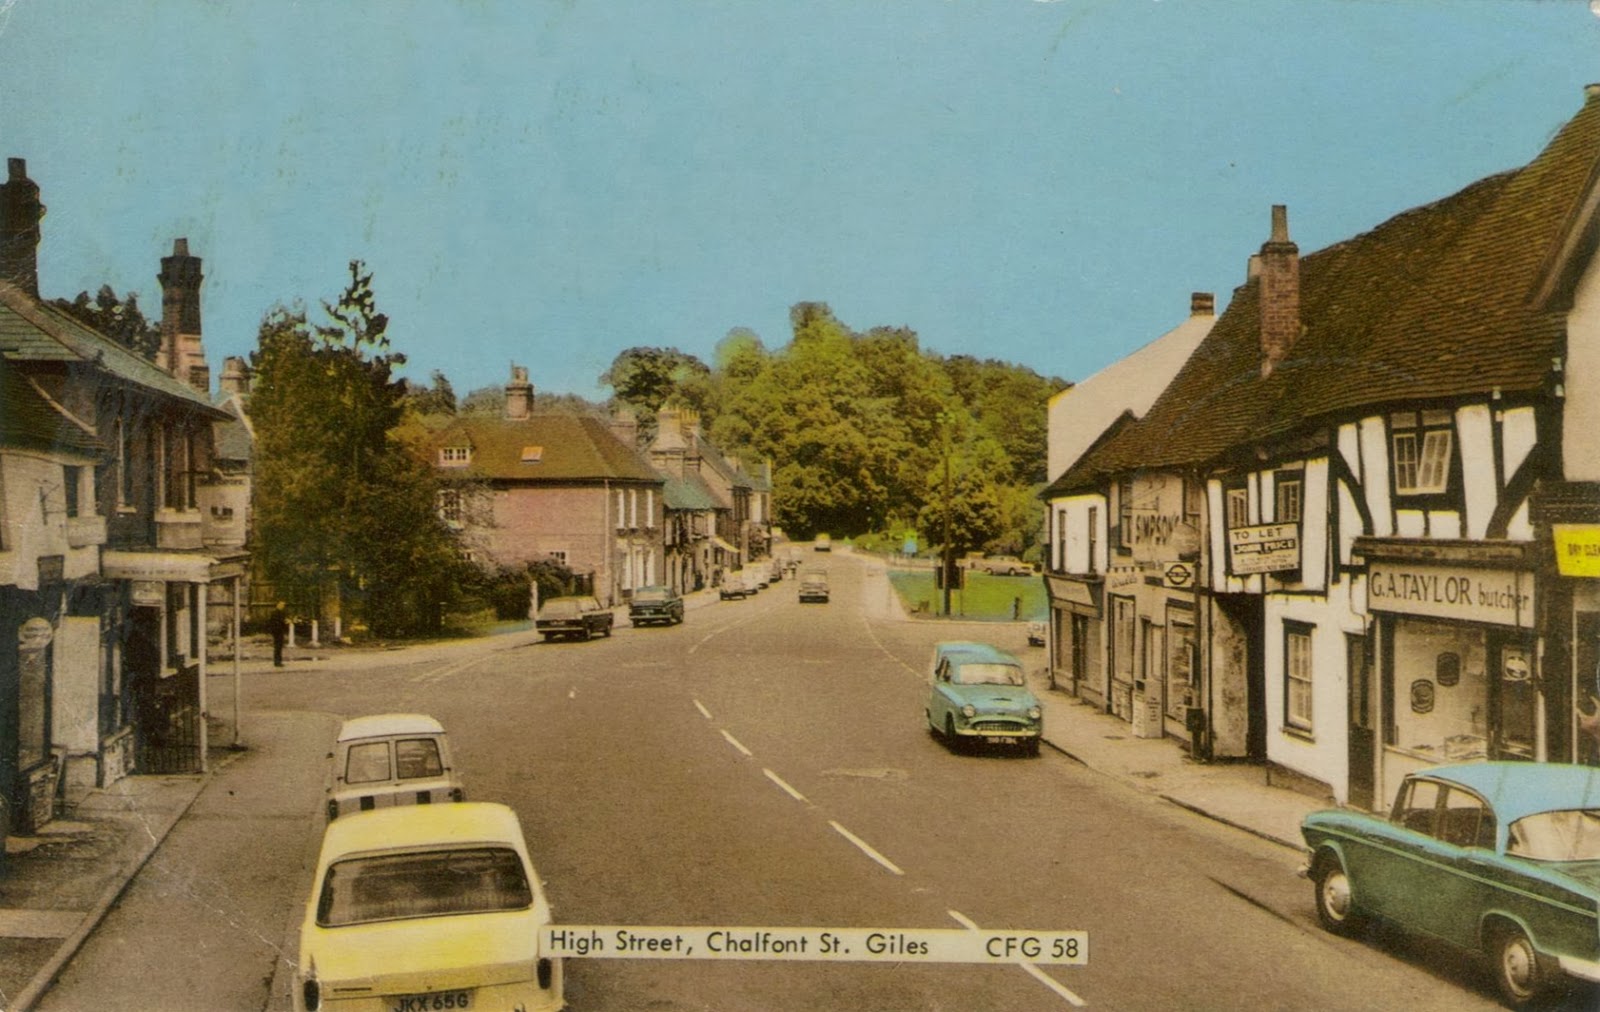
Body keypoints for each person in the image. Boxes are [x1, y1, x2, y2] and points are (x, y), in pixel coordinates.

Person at [269, 602, 288, 667]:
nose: (282, 607)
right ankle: (277, 661)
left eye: (283, 605)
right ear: (278, 605)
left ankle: (278, 661)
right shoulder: (276, 613)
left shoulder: (280, 613)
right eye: (281, 605)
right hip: (277, 632)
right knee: (278, 647)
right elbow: (276, 622)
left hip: (279, 632)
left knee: (279, 647)